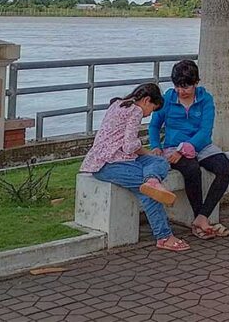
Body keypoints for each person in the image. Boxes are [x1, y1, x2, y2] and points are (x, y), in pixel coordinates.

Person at [79, 82, 190, 252]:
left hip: (109, 160)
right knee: (148, 192)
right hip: (109, 164)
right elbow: (130, 146)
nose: (148, 115)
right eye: (152, 110)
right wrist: (145, 151)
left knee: (160, 161)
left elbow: (125, 146)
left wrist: (149, 154)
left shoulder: (117, 104)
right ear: (146, 100)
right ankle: (164, 236)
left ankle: (152, 180)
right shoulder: (136, 110)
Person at [149, 60, 229, 240]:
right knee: (192, 169)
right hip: (172, 147)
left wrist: (186, 149)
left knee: (226, 167)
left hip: (201, 146)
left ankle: (201, 218)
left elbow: (205, 131)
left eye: (186, 87)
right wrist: (156, 146)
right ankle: (200, 221)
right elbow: (154, 125)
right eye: (178, 86)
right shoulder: (168, 100)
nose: (181, 91)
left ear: (196, 83)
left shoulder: (205, 99)